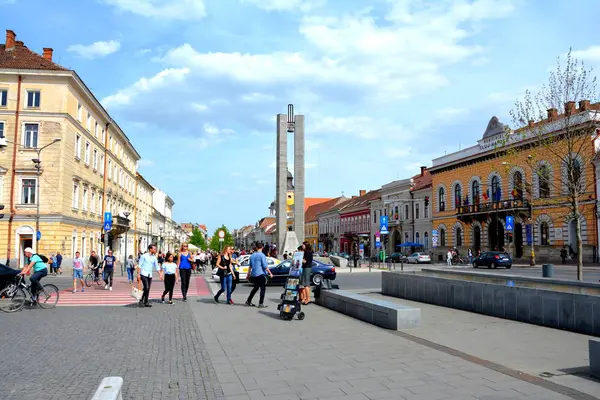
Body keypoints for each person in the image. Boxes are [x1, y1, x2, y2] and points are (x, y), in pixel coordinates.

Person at [245, 243, 273, 308]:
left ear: (256, 247)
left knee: (255, 288)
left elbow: (250, 266)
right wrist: (270, 273)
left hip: (254, 274)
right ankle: (261, 303)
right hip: (260, 274)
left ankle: (248, 301)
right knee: (263, 289)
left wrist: (248, 274)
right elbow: (265, 266)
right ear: (262, 247)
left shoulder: (252, 255)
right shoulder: (262, 255)